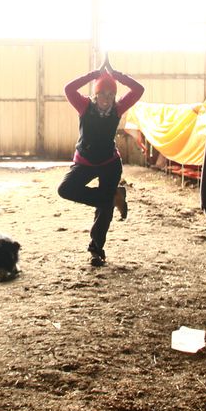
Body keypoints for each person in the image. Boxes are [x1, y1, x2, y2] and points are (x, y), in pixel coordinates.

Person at [58, 58, 144, 266]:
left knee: (103, 209)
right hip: (84, 162)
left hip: (109, 163)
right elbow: (68, 89)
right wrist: (94, 75)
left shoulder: (117, 108)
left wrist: (117, 76)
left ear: (114, 96)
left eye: (110, 94)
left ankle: (96, 249)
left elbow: (139, 89)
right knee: (65, 189)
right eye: (102, 93)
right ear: (95, 94)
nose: (106, 98)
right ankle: (112, 197)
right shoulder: (85, 106)